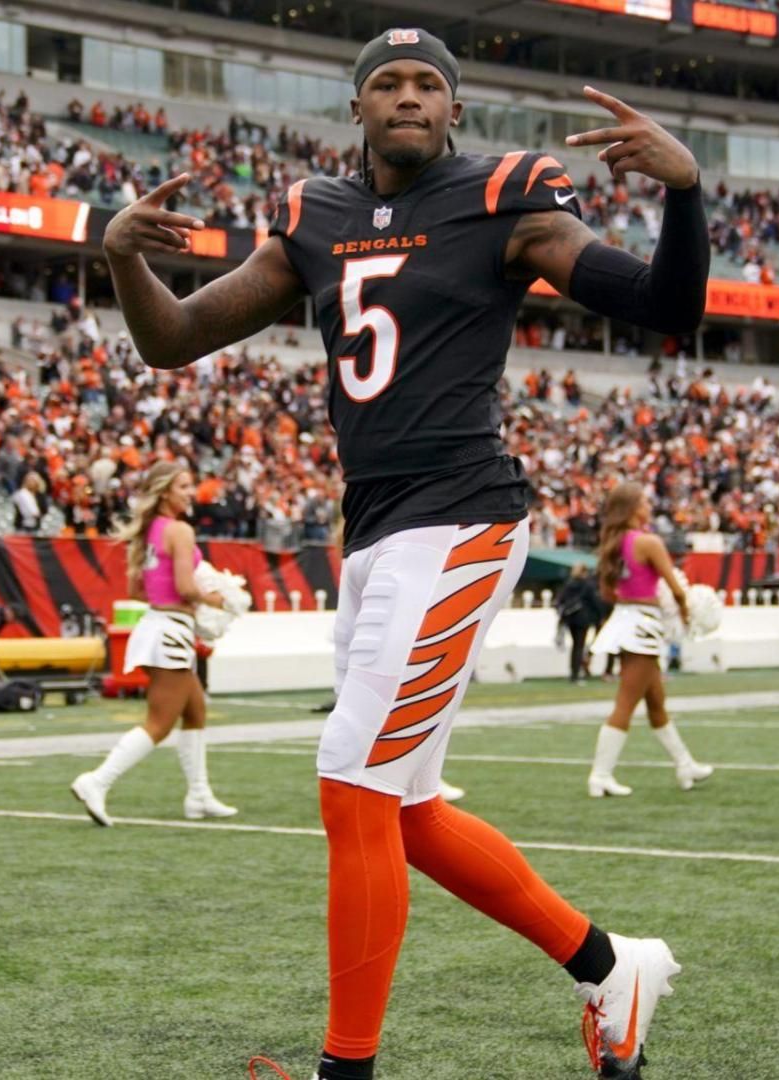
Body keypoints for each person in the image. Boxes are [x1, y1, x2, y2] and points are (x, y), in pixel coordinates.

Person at [104, 27, 705, 1078]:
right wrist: (119, 257)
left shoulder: (507, 197)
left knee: (349, 787)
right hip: (378, 532)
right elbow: (176, 337)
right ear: (358, 108)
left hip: (463, 516)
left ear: (457, 110)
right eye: (388, 83)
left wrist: (686, 194)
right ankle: (614, 969)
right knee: (407, 811)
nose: (410, 97)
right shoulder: (314, 216)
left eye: (430, 83)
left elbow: (665, 305)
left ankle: (348, 1071)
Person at [69, 462, 234, 826]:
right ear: (164, 492)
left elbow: (135, 590)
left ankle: (199, 795)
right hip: (171, 631)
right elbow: (187, 588)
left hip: (157, 626)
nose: (191, 493)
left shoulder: (150, 531)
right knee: (159, 723)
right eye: (184, 487)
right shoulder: (179, 530)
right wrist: (222, 600)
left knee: (195, 711)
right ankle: (97, 781)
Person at [584, 483, 713, 797]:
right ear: (631, 509)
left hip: (625, 620)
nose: (649, 507)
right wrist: (684, 611)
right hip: (643, 625)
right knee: (626, 703)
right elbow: (676, 586)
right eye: (643, 502)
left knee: (656, 702)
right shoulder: (649, 542)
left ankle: (685, 764)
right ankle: (600, 775)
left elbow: (606, 593)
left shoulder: (611, 544)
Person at [556, 563, 601, 684]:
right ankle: (576, 674)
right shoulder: (587, 585)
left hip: (570, 619)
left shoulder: (568, 585)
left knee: (575, 646)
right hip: (583, 619)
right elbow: (595, 602)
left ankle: (573, 673)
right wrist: (599, 616)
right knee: (579, 646)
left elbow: (560, 601)